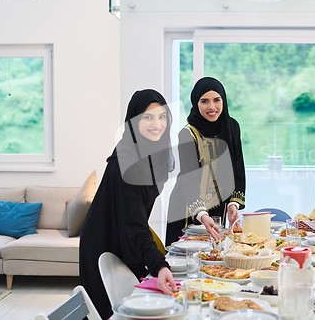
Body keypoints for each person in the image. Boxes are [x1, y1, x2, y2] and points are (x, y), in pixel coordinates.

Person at [79, 89, 177, 319]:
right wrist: (159, 265)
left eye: (162, 116)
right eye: (147, 117)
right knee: (111, 310)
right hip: (104, 241)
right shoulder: (127, 160)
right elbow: (134, 222)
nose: (157, 124)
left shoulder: (153, 152)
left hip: (125, 233)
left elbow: (135, 218)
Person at [166, 77, 245, 245]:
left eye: (217, 100)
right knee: (187, 258)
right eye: (204, 101)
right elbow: (189, 178)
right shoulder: (188, 134)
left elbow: (238, 169)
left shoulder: (232, 127)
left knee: (215, 257)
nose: (212, 107)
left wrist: (233, 204)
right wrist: (202, 214)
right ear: (196, 103)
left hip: (218, 206)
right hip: (187, 208)